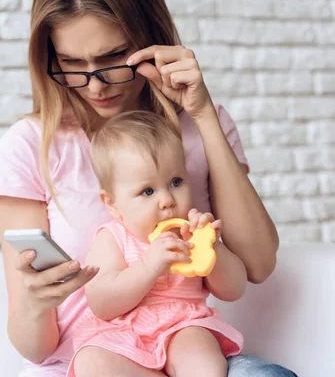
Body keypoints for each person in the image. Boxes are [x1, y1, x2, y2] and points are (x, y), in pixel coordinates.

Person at [0, 0, 295, 376]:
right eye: (72, 63)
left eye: (114, 56)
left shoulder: (203, 124)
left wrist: (202, 115)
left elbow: (257, 265)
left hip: (186, 347)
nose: (96, 84)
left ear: (148, 37)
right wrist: (34, 302)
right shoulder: (30, 145)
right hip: (93, 360)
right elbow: (36, 348)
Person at [67, 111, 246, 377]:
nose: (167, 200)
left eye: (176, 182)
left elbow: (234, 289)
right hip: (123, 335)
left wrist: (212, 247)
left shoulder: (191, 233)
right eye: (148, 191)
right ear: (112, 204)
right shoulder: (113, 237)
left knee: (199, 355)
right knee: (91, 361)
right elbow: (101, 303)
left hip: (184, 326)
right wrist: (149, 266)